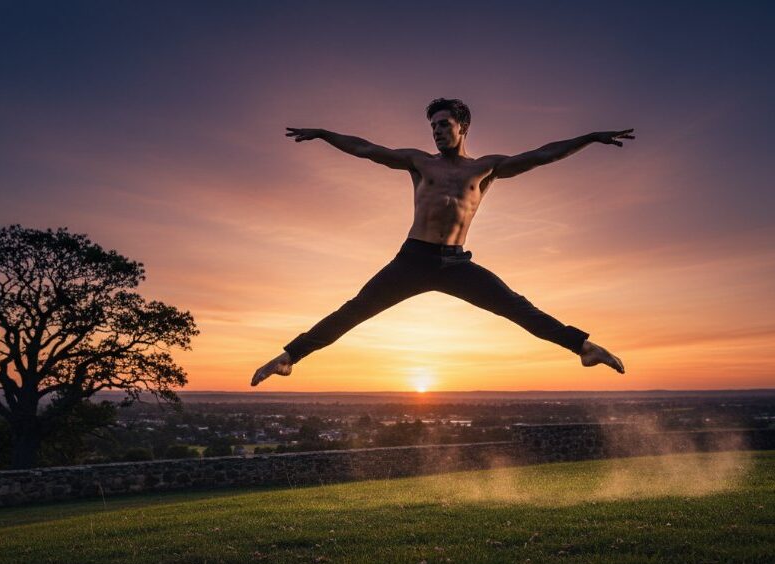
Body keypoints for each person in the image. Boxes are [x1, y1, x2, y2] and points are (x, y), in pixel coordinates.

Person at [251, 98, 632, 387]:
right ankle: (289, 357)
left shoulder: (486, 167)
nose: (436, 131)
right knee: (355, 310)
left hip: (456, 264)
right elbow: (366, 149)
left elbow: (543, 155)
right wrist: (323, 134)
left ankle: (584, 349)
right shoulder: (419, 162)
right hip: (413, 259)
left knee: (517, 308)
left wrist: (589, 138)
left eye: (444, 124)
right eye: (432, 126)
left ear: (462, 126)